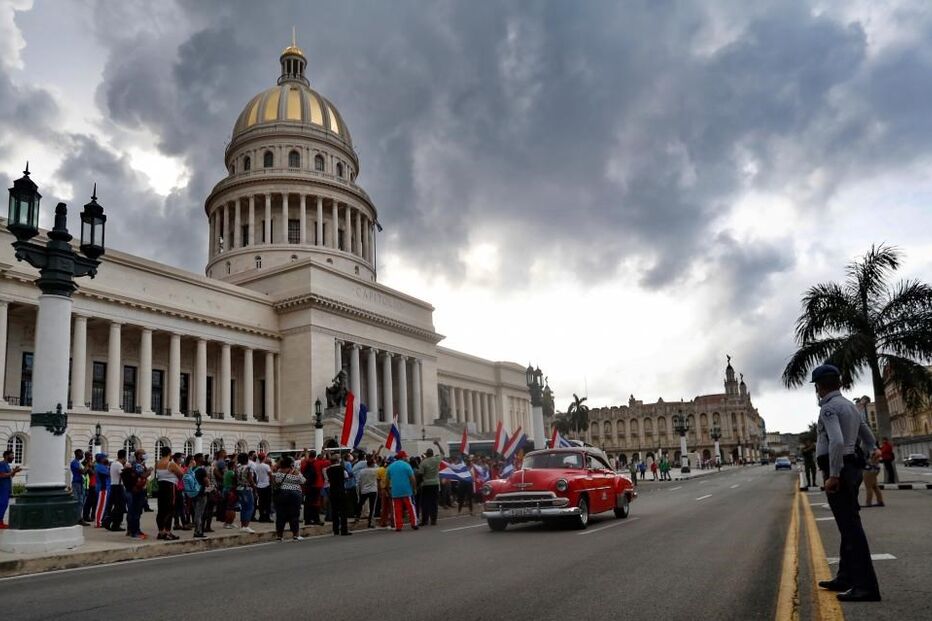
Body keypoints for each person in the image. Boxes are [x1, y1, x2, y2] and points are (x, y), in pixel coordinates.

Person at [811, 364, 881, 602]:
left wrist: (833, 474)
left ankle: (866, 586)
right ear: (838, 383)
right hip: (852, 468)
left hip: (840, 471)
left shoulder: (829, 408)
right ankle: (845, 577)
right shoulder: (849, 406)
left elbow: (837, 441)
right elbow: (866, 433)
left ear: (819, 387)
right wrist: (873, 449)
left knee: (851, 528)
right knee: (847, 525)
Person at [271, 455, 305, 541]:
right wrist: (296, 472)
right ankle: (295, 535)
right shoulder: (296, 473)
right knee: (294, 515)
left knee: (281, 515)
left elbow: (276, 482)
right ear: (291, 465)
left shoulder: (279, 474)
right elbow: (303, 481)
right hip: (295, 494)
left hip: (282, 494)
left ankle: (279, 536)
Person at [122, 449, 151, 539]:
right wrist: (150, 471)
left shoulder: (137, 464)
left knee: (134, 511)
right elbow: (143, 475)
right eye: (143, 453)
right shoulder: (137, 465)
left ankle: (132, 530)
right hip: (137, 491)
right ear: (139, 455)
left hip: (136, 490)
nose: (145, 455)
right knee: (136, 511)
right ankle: (135, 531)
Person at [155, 446, 183, 540]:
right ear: (169, 453)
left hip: (161, 486)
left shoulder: (157, 463)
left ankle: (161, 531)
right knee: (170, 509)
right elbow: (181, 474)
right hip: (170, 487)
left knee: (161, 510)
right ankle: (167, 532)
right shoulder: (171, 464)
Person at [387, 450, 419, 531]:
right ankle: (414, 523)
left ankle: (398, 526)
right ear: (403, 457)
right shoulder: (407, 465)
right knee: (411, 507)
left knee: (397, 510)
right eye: (405, 457)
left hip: (395, 491)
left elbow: (387, 480)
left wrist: (388, 489)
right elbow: (412, 478)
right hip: (406, 490)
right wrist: (414, 488)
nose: (406, 458)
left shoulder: (390, 466)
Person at [418, 443, 444, 526]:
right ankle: (433, 520)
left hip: (426, 484)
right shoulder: (437, 460)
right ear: (432, 454)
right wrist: (438, 444)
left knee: (425, 503)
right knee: (434, 503)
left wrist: (419, 484)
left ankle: (424, 521)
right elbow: (442, 453)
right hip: (435, 484)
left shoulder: (423, 462)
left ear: (427, 454)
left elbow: (420, 474)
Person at [326, 451, 350, 536]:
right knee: (343, 511)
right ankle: (344, 530)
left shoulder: (328, 470)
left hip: (332, 491)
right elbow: (347, 477)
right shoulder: (342, 469)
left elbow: (328, 480)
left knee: (335, 511)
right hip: (341, 491)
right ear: (337, 460)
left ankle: (335, 530)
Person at [105, 449, 127, 531]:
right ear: (124, 457)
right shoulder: (119, 465)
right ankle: (112, 522)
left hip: (113, 485)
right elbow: (123, 475)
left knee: (117, 506)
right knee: (120, 507)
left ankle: (112, 522)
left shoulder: (113, 464)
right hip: (118, 486)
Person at [235, 452, 257, 534]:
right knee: (249, 507)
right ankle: (246, 526)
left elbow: (235, 478)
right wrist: (255, 488)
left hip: (239, 488)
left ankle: (242, 526)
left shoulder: (237, 467)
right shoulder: (248, 468)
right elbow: (251, 479)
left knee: (243, 508)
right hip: (246, 488)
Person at [0, 450, 22, 528]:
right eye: (12, 455)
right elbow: (2, 475)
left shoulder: (7, 465)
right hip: (2, 489)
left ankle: (1, 522)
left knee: (4, 505)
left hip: (6, 489)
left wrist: (14, 472)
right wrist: (14, 471)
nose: (13, 457)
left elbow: (10, 476)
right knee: (2, 505)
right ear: (6, 456)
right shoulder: (2, 464)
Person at [190, 453, 210, 539]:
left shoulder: (192, 469)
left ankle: (197, 531)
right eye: (202, 458)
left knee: (196, 512)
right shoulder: (202, 470)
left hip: (193, 494)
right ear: (199, 459)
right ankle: (198, 532)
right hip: (201, 494)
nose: (203, 460)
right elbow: (207, 482)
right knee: (199, 514)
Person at [357, 455, 379, 528]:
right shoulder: (376, 470)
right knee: (372, 507)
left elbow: (359, 481)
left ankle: (357, 516)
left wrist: (360, 489)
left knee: (360, 503)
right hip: (373, 490)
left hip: (364, 490)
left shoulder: (362, 471)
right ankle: (370, 522)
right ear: (373, 464)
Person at [70, 449, 89, 526]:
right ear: (77, 454)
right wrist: (87, 465)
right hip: (77, 483)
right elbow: (83, 472)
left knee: (81, 502)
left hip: (80, 483)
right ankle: (77, 518)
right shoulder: (74, 462)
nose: (83, 455)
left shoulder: (78, 463)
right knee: (78, 501)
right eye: (82, 454)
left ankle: (79, 518)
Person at [94, 453, 111, 528]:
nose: (106, 459)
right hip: (102, 488)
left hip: (105, 488)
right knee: (101, 505)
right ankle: (98, 522)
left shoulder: (102, 466)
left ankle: (103, 520)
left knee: (104, 505)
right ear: (101, 459)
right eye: (105, 458)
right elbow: (109, 473)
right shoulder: (99, 467)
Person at [255, 452, 272, 523]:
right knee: (268, 502)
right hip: (266, 485)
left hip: (259, 485)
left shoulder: (256, 466)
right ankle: (267, 517)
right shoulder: (266, 466)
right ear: (264, 458)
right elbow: (270, 475)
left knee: (261, 502)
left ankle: (261, 516)